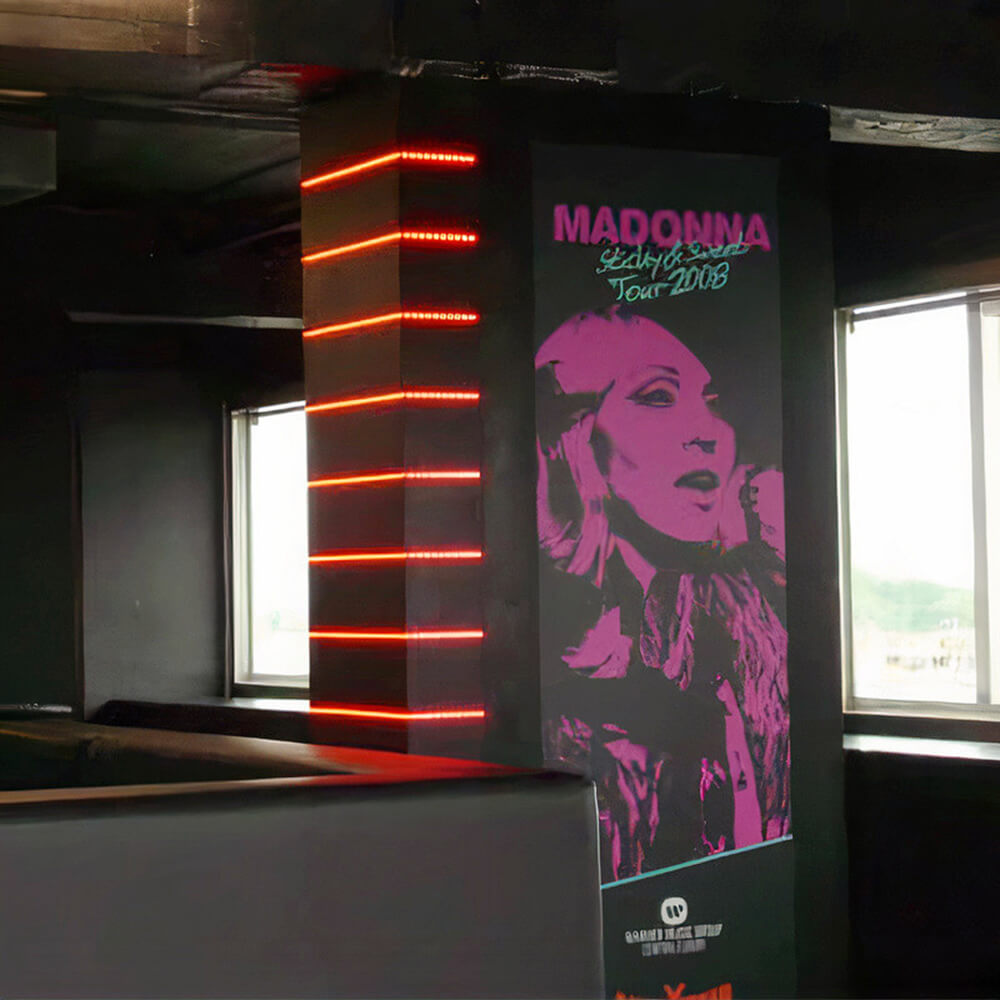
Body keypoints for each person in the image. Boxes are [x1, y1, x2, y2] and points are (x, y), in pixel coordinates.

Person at [535, 307, 789, 880]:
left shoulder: (748, 607)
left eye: (711, 402)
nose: (707, 432)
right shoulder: (571, 659)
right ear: (573, 442)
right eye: (657, 397)